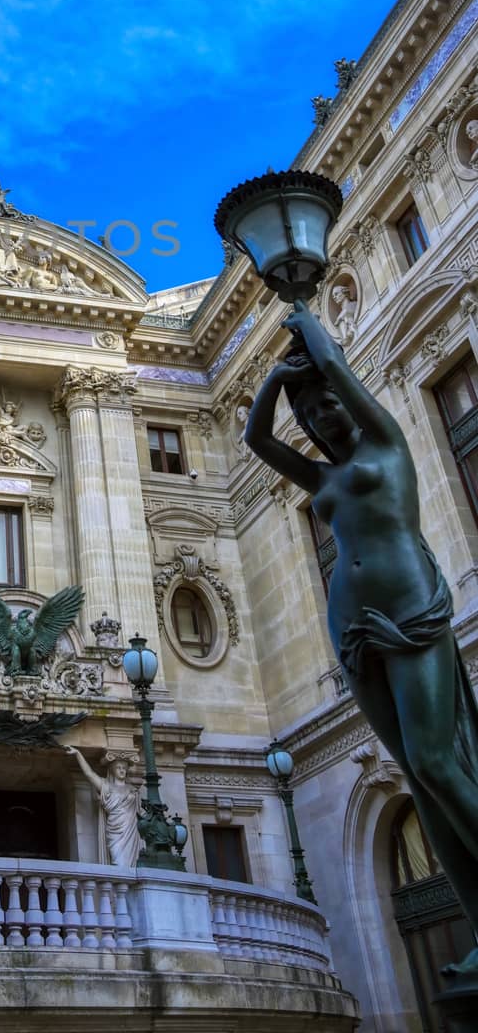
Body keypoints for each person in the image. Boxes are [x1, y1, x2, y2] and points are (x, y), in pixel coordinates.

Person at [245, 299, 478, 975]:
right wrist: (273, 382)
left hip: (411, 614)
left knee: (437, 762)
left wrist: (308, 340)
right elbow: (259, 441)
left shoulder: (385, 444)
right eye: (313, 416)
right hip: (352, 630)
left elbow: (342, 375)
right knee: (416, 770)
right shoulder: (321, 476)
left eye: (329, 407)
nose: (324, 418)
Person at [64, 745, 141, 868]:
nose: (122, 770)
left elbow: (140, 813)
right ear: (112, 770)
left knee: (130, 864)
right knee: (118, 861)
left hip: (130, 829)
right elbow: (89, 774)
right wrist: (78, 754)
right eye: (118, 768)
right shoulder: (106, 787)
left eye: (124, 768)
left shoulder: (132, 790)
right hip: (115, 831)